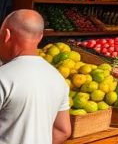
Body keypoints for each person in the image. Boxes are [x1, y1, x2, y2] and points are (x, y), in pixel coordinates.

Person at [0, 10, 72, 144]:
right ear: (40, 37)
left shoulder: (3, 77)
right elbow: (63, 131)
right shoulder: (58, 78)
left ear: (6, 35)